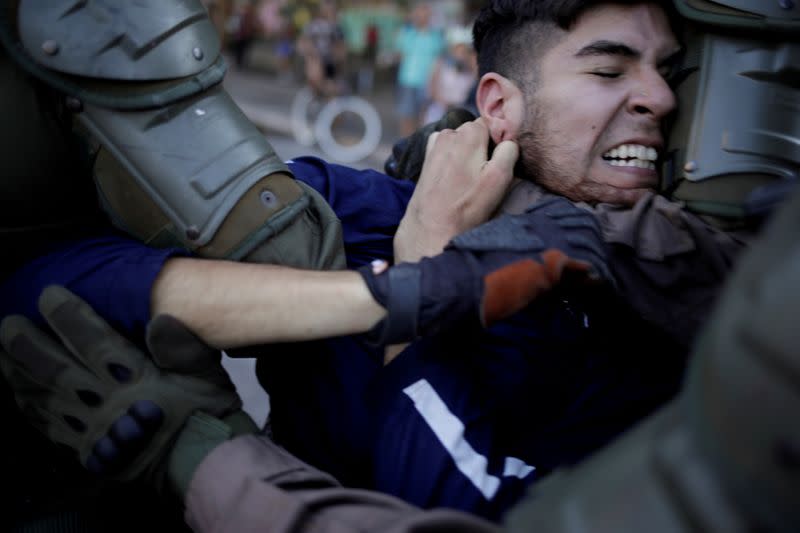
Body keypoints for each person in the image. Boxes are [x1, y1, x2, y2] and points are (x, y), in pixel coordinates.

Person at [2, 0, 796, 527]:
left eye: (669, 71)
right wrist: (391, 290)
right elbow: (57, 282)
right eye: (610, 68)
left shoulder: (689, 310)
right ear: (497, 105)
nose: (658, 98)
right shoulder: (380, 213)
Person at [394, 2, 445, 136]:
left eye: (425, 14)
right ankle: (404, 148)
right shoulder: (406, 34)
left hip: (426, 83)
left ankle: (418, 148)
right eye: (419, 14)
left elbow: (439, 62)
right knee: (406, 116)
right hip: (407, 80)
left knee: (423, 117)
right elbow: (399, 55)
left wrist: (435, 84)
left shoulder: (436, 37)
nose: (421, 17)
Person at [423, 25, 478, 125]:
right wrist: (442, 101)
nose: (460, 53)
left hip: (463, 108)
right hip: (441, 107)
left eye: (463, 50)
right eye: (457, 49)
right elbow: (432, 87)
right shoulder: (441, 63)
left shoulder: (470, 65)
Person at [296, 1, 348, 97]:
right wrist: (311, 51)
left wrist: (337, 56)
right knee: (314, 65)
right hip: (316, 59)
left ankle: (330, 89)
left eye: (331, 9)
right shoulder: (313, 25)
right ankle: (322, 89)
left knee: (331, 85)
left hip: (330, 62)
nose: (329, 11)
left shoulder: (337, 27)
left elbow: (341, 48)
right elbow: (302, 42)